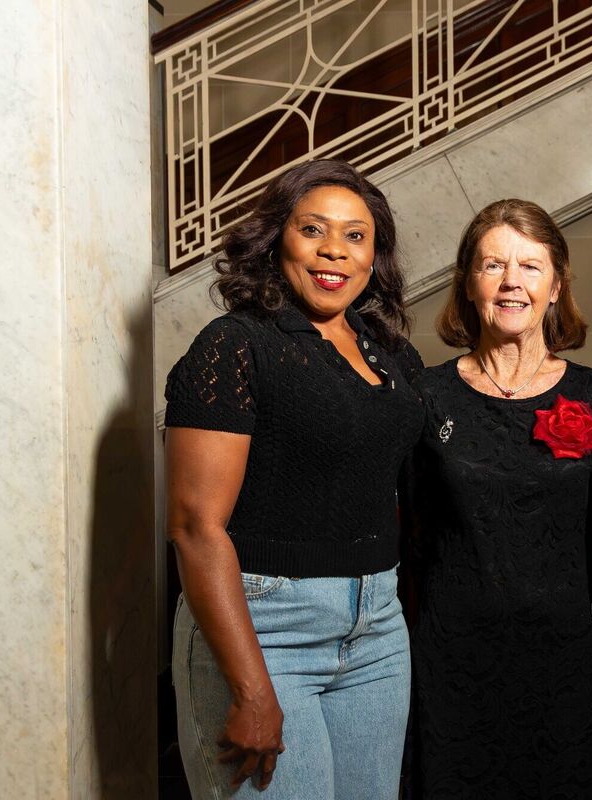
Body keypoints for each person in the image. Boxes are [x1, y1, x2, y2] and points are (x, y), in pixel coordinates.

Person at [165, 159, 424, 798]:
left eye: (355, 236)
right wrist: (252, 689)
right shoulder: (235, 345)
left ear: (375, 257)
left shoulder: (390, 353)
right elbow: (196, 528)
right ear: (278, 238)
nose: (334, 249)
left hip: (378, 630)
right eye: (314, 229)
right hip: (265, 629)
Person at [410, 199, 592, 798]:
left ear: (556, 286)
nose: (512, 282)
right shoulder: (427, 395)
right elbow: (407, 530)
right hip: (454, 659)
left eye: (531, 267)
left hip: (569, 660)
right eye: (493, 266)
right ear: (468, 284)